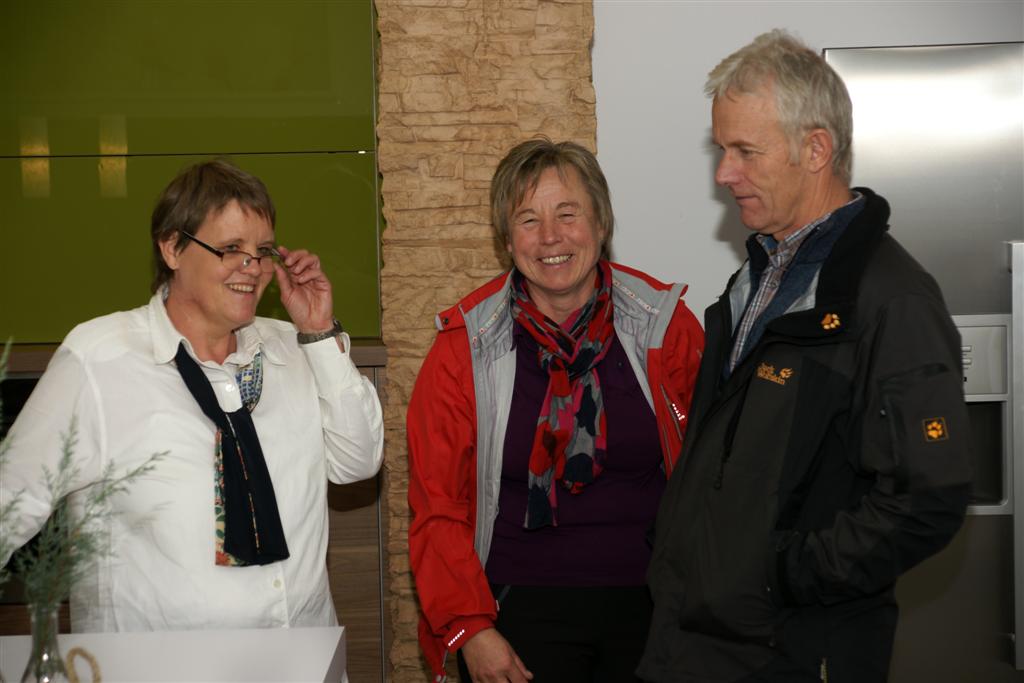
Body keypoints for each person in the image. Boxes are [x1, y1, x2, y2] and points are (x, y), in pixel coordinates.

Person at [638, 30, 971, 683]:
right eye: (721, 149)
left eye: (745, 151)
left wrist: (783, 573)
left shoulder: (890, 300)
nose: (723, 173)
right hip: (703, 642)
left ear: (815, 149)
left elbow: (929, 497)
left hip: (795, 648)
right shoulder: (758, 276)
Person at [0, 159, 384, 631]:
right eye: (231, 248)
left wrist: (320, 332)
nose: (253, 268)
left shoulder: (295, 348)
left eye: (263, 250)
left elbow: (359, 462)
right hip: (152, 663)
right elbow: (8, 505)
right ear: (173, 248)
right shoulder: (99, 360)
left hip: (303, 654)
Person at [407, 138, 704, 683]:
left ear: (601, 223)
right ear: (506, 239)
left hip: (656, 608)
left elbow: (713, 476)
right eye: (528, 220)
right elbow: (438, 505)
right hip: (515, 612)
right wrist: (470, 629)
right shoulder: (463, 347)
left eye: (568, 214)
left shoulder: (667, 327)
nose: (550, 237)